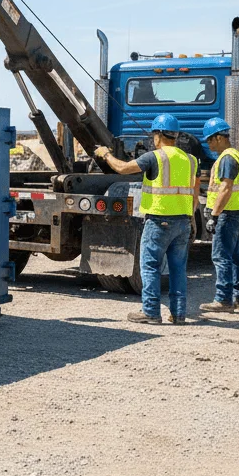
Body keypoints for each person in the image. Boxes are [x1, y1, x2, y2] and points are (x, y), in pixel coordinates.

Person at [94, 114, 198, 324]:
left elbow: (122, 168)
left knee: (150, 266)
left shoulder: (154, 157)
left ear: (158, 135)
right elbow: (194, 192)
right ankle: (179, 314)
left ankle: (150, 312)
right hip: (183, 222)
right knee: (178, 269)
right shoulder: (190, 160)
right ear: (176, 135)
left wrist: (105, 154)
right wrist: (191, 217)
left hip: (159, 221)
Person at [198, 117, 239, 313]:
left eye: (210, 140)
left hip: (228, 215)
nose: (208, 144)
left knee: (221, 257)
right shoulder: (235, 155)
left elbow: (226, 188)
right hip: (237, 213)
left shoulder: (227, 158)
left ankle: (223, 299)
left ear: (219, 138)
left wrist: (214, 214)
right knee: (235, 257)